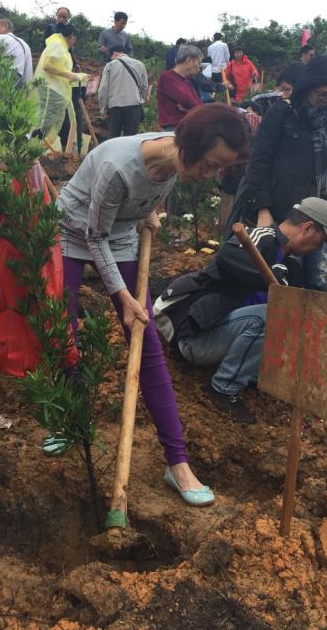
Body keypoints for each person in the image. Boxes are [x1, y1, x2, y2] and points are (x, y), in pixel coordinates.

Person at [57, 104, 249, 505]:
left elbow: (145, 200)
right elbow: (95, 236)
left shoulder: (175, 162)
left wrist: (150, 213)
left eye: (219, 169)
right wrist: (123, 296)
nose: (210, 176)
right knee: (65, 332)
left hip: (122, 235)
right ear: (189, 146)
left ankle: (177, 463)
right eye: (211, 165)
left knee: (145, 344)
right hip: (73, 233)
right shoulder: (117, 166)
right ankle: (69, 423)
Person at [154, 198, 327, 424]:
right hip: (197, 339)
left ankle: (246, 377)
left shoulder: (293, 269)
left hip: (226, 341)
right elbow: (227, 258)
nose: (318, 248)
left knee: (288, 320)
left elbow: (305, 316)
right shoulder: (259, 238)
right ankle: (223, 387)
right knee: (272, 315)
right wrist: (270, 276)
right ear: (308, 227)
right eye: (322, 240)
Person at [243, 56, 327, 299]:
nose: (326, 101)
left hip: (320, 215)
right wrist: (263, 209)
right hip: (284, 213)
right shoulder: (281, 114)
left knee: (317, 280)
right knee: (283, 277)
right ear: (308, 87)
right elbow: (259, 162)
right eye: (322, 94)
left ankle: (310, 333)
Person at [33, 22, 88, 147]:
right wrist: (70, 75)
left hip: (54, 91)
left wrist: (79, 76)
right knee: (43, 124)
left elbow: (60, 72)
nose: (75, 42)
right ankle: (31, 153)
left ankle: (36, 153)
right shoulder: (57, 45)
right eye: (75, 38)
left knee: (47, 124)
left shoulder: (63, 49)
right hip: (49, 91)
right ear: (71, 35)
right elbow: (47, 65)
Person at [98, 47, 148, 137]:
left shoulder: (110, 65)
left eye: (111, 57)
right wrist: (142, 102)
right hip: (134, 106)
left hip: (115, 107)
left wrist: (103, 108)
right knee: (130, 139)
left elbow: (103, 88)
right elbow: (144, 87)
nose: (111, 59)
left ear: (115, 53)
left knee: (113, 138)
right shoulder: (140, 64)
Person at [156, 44, 203, 131]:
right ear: (189, 61)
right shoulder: (167, 77)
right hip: (174, 130)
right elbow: (188, 102)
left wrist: (189, 110)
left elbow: (199, 106)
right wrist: (191, 109)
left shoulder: (187, 82)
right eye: (198, 62)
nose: (199, 67)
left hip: (187, 126)